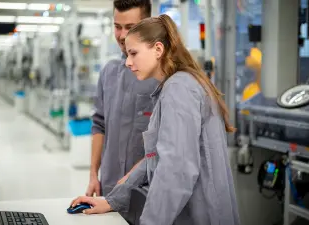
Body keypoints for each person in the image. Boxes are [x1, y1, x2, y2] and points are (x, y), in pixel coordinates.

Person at [71, 14, 241, 225]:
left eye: (133, 53)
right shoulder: (176, 85)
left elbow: (175, 171)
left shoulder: (178, 89)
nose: (128, 62)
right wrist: (112, 201)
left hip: (202, 215)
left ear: (158, 50)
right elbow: (156, 157)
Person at [87, 0, 159, 197]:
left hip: (146, 193)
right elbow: (99, 124)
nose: (122, 35)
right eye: (117, 27)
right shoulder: (109, 73)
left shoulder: (163, 78)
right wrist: (94, 174)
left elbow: (165, 144)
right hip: (108, 188)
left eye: (131, 27)